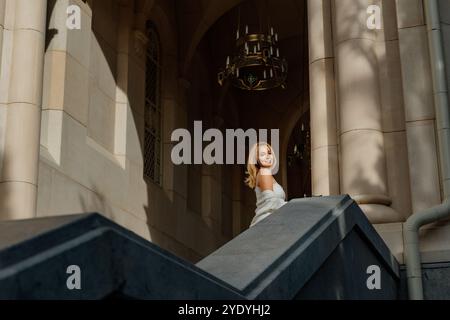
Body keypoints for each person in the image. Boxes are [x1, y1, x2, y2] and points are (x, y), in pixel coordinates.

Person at [245, 142, 287, 227]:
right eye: (263, 154)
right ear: (257, 158)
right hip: (268, 224)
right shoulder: (264, 172)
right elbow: (271, 201)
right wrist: (293, 206)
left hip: (269, 222)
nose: (268, 156)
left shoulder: (264, 173)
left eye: (269, 153)